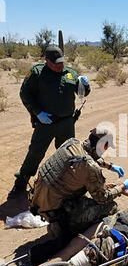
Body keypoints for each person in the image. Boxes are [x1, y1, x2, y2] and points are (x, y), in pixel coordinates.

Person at [27, 126, 128, 266]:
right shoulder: (90, 167)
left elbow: (84, 157)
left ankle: (61, 226)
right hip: (58, 211)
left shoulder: (72, 143)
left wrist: (109, 165)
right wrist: (122, 187)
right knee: (111, 207)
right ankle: (71, 231)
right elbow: (102, 197)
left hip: (40, 202)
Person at [8, 45, 91, 199]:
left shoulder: (71, 74)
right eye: (56, 63)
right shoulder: (37, 73)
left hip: (67, 123)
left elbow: (82, 94)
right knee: (35, 153)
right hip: (46, 122)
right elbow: (25, 93)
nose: (60, 66)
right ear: (47, 60)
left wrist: (85, 86)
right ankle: (20, 183)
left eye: (62, 62)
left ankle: (68, 184)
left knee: (70, 155)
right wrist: (38, 112)